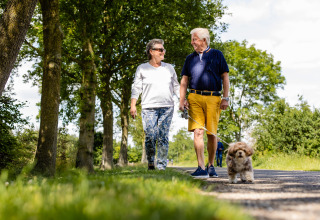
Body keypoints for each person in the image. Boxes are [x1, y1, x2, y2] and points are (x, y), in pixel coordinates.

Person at [179, 28, 230, 178]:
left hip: (214, 98)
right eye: (192, 39)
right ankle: (201, 167)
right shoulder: (190, 58)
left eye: (194, 39)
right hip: (195, 97)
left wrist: (225, 98)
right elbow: (184, 81)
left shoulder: (217, 54)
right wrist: (182, 100)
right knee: (198, 131)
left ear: (204, 40)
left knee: (212, 133)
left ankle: (211, 166)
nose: (192, 42)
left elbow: (225, 78)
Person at [131, 39, 180, 171]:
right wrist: (133, 104)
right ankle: (151, 161)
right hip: (148, 107)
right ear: (151, 52)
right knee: (150, 136)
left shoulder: (169, 68)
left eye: (163, 49)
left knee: (163, 136)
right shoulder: (142, 68)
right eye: (160, 49)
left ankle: (162, 166)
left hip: (167, 106)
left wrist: (182, 100)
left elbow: (176, 86)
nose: (163, 51)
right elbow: (136, 87)